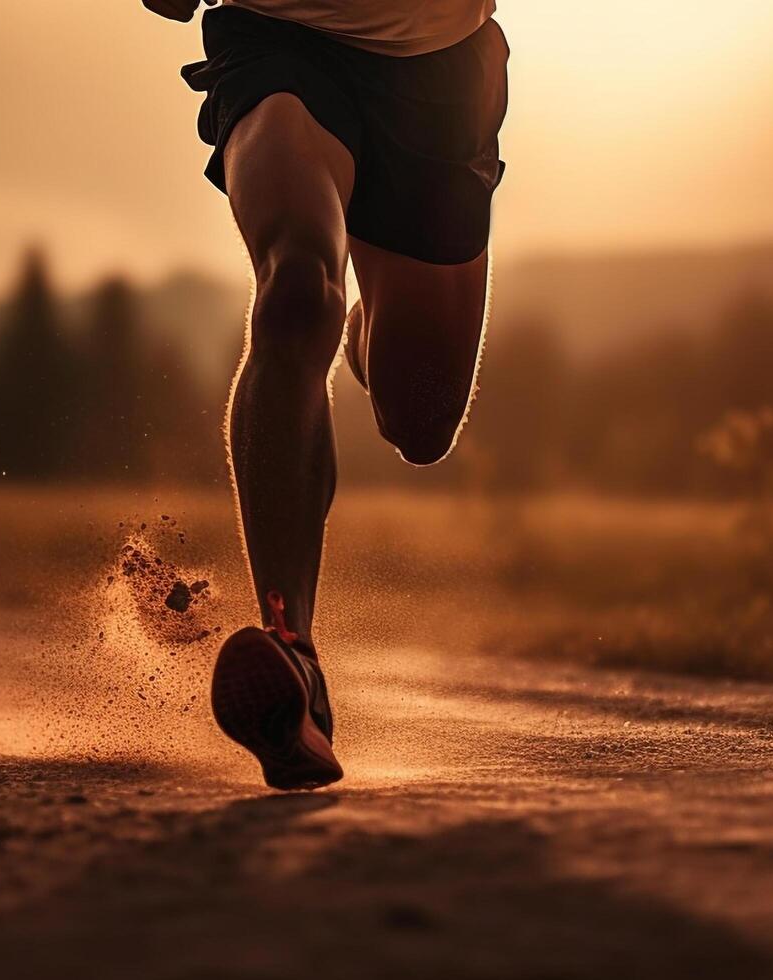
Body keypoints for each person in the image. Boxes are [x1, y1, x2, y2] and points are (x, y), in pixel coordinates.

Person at [143, 0, 509, 789]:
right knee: (295, 291)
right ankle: (292, 652)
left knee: (420, 421)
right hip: (282, 46)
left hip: (441, 74)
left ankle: (356, 336)